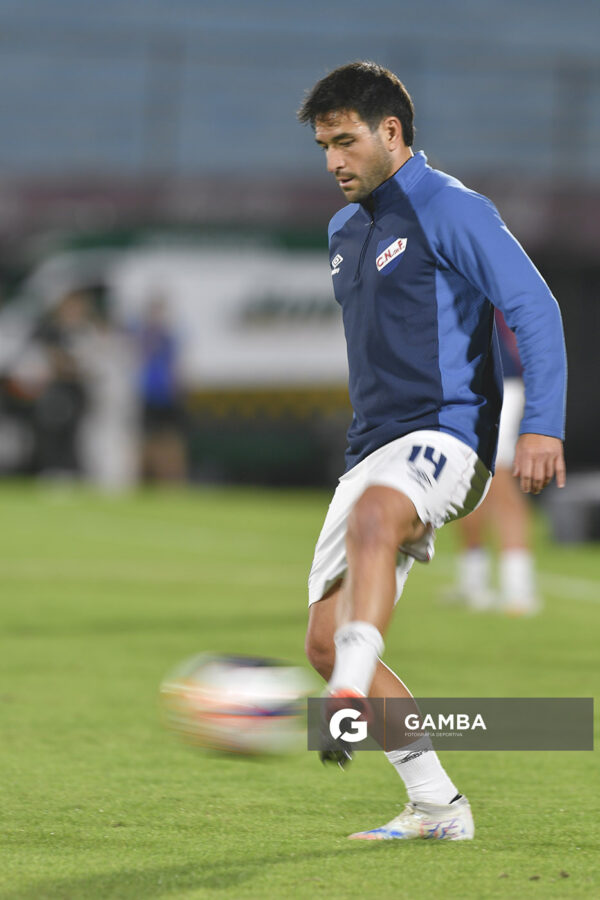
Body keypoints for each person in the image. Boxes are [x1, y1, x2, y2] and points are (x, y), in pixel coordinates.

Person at [297, 62, 566, 842]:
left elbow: (535, 307)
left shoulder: (451, 206)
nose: (334, 162)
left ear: (392, 132)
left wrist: (542, 423)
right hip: (371, 449)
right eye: (323, 146)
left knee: (381, 522)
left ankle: (347, 695)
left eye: (346, 141)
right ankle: (438, 806)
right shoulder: (344, 231)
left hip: (451, 433)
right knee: (320, 641)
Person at [454, 309, 540, 615]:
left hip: (499, 383)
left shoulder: (490, 269)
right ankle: (472, 581)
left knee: (499, 480)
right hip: (463, 388)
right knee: (466, 481)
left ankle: (519, 588)